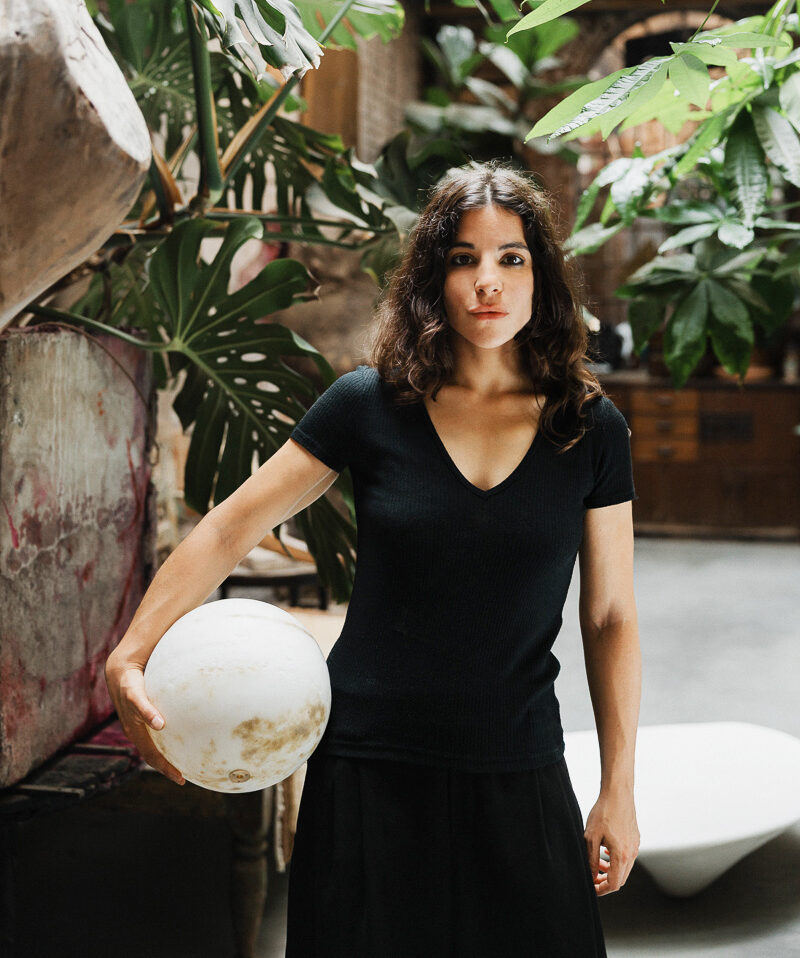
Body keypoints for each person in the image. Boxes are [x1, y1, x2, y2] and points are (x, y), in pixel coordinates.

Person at [106, 159, 641, 957]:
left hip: (517, 759)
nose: (487, 282)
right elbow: (227, 529)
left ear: (543, 277)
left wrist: (618, 789)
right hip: (369, 768)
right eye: (463, 259)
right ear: (434, 277)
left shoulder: (588, 428)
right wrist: (132, 652)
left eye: (510, 258)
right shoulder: (370, 404)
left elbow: (609, 615)